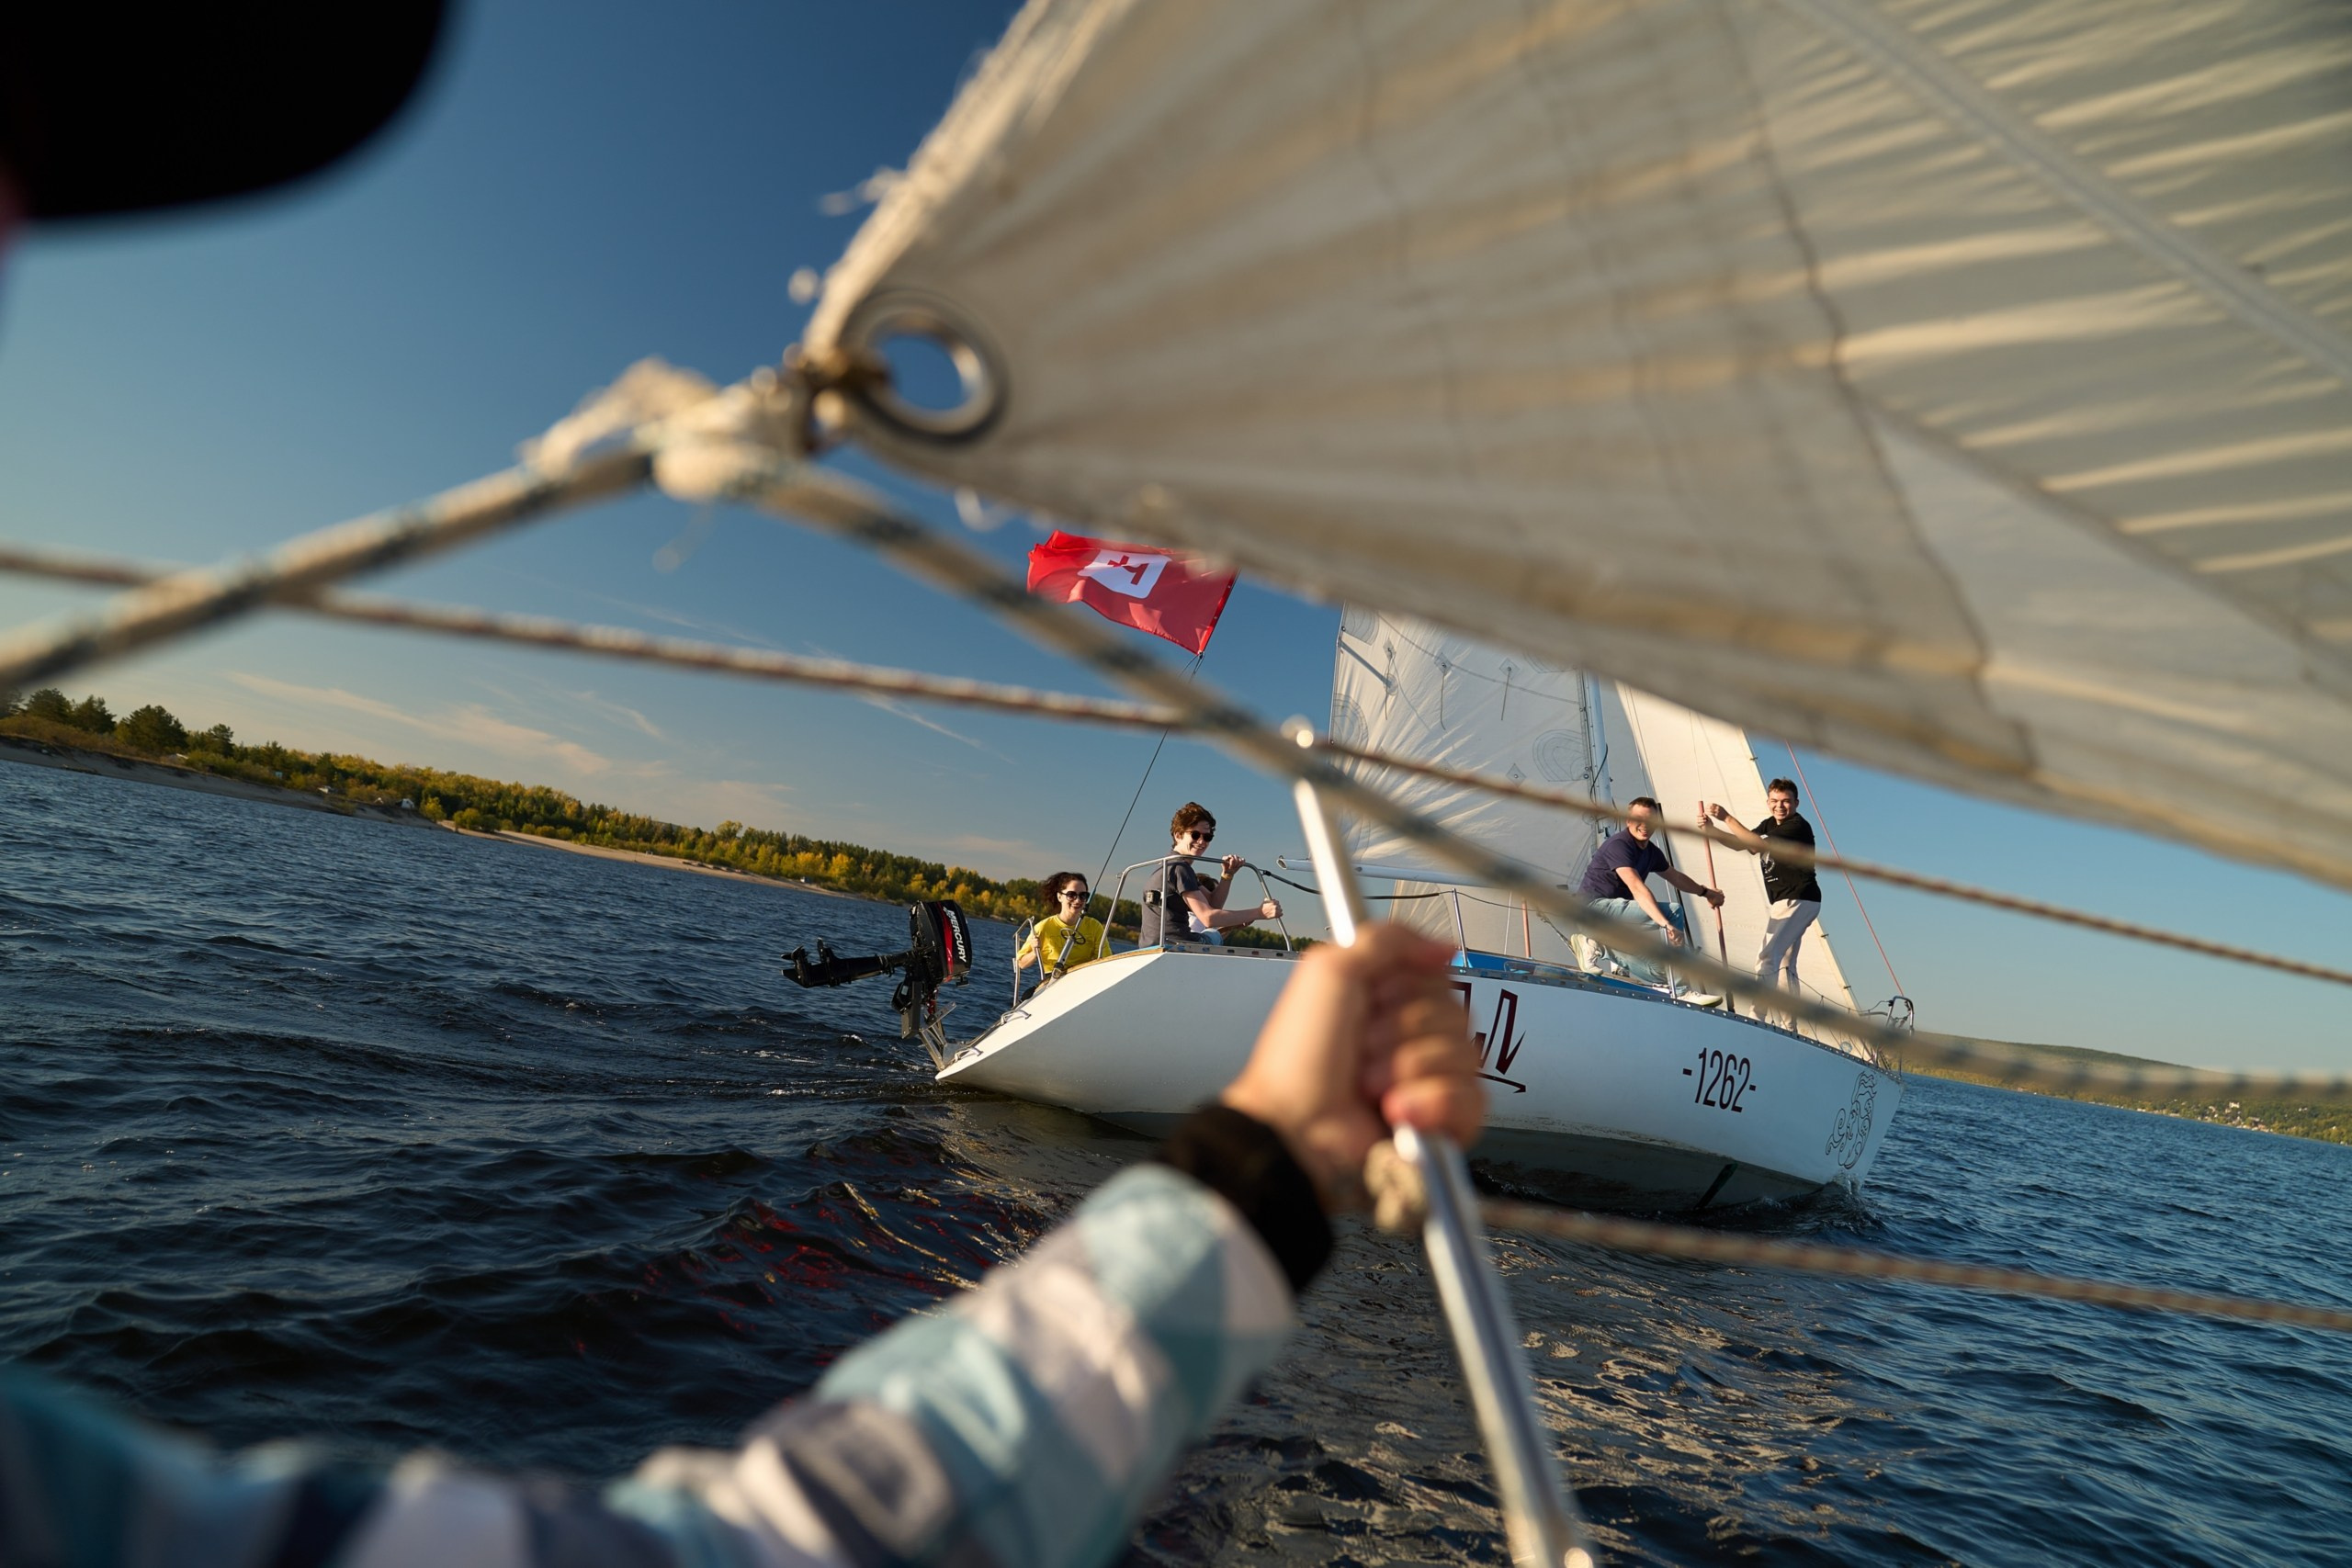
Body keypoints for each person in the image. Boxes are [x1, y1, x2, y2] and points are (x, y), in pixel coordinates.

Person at [0, 924, 1480, 1568]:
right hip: (1032, 1090)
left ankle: (927, 1062)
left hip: (959, 1022)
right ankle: (929, 1066)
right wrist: (1262, 1174)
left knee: (916, 1028)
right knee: (917, 1032)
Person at [1573, 796, 1724, 1001]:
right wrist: (1665, 924)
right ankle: (1682, 991)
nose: (1644, 826)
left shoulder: (1651, 852)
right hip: (1592, 910)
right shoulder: (1619, 845)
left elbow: (1676, 877)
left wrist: (1706, 892)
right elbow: (1636, 886)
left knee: (1662, 972)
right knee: (1673, 911)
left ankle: (1599, 946)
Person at [1704, 778, 1825, 989]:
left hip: (1797, 898)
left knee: (1767, 956)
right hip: (1791, 899)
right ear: (1768, 802)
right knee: (1785, 962)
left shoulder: (1796, 826)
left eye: (1786, 801)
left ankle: (1757, 1016)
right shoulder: (1768, 824)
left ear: (1796, 803)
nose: (1780, 806)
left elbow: (1756, 845)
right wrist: (1712, 830)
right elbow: (1744, 845)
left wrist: (1726, 817)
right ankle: (1788, 1023)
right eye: (1775, 801)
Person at [1135, 801, 1281, 946]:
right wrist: (1260, 913)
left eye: (1207, 837)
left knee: (1212, 933)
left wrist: (1227, 875)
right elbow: (1208, 918)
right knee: (1213, 935)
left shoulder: (1168, 865)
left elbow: (1212, 904)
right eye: (1195, 834)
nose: (1201, 841)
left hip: (1149, 946)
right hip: (1176, 945)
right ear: (1178, 835)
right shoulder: (1180, 868)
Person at [1015, 870, 1110, 976]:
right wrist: (1034, 952)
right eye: (1071, 895)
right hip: (1052, 980)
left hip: (1083, 979)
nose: (1078, 900)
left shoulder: (1095, 927)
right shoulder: (1043, 927)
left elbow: (1105, 960)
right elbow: (1021, 964)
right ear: (1060, 897)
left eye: (1083, 895)